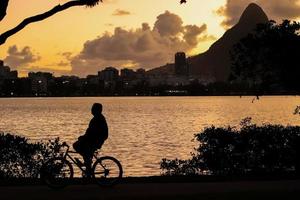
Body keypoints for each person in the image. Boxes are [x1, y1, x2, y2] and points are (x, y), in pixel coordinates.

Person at [73, 103, 108, 175]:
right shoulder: (98, 118)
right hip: (94, 139)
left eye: (93, 108)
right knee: (84, 149)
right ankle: (88, 163)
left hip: (96, 141)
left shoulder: (98, 119)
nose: (91, 110)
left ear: (97, 110)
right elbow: (90, 132)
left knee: (76, 145)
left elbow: (92, 133)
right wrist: (83, 137)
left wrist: (83, 138)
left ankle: (87, 163)